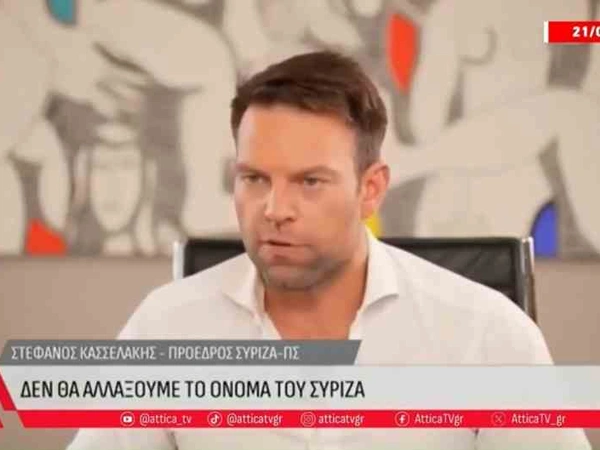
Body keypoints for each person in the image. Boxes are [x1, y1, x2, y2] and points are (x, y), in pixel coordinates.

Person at [67, 51, 591, 449]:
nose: (274, 209)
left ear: (371, 189)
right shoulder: (166, 328)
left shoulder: (486, 334)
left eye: (310, 181)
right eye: (254, 178)